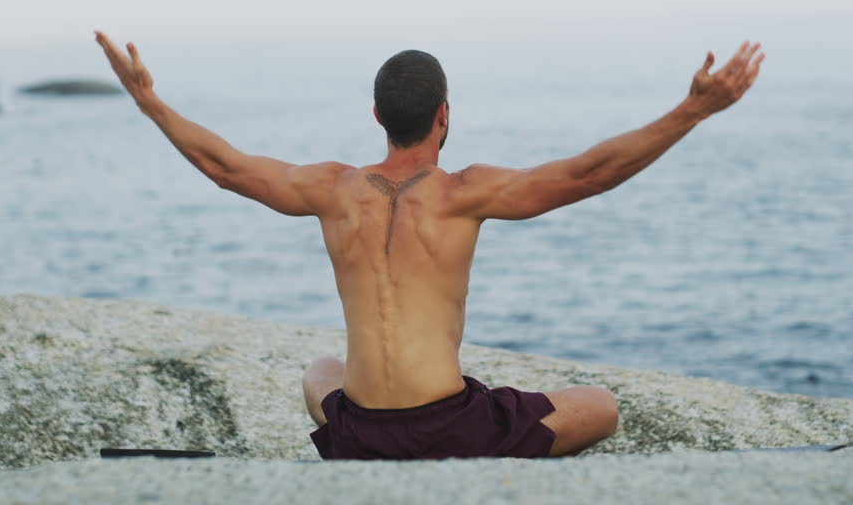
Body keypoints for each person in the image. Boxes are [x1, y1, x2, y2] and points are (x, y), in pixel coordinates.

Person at [95, 31, 764, 459]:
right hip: (451, 429)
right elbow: (590, 174)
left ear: (378, 117)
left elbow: (225, 167)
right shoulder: (464, 193)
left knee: (321, 371)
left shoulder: (332, 189)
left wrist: (152, 103)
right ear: (443, 115)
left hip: (358, 434)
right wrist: (693, 110)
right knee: (602, 405)